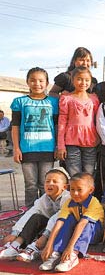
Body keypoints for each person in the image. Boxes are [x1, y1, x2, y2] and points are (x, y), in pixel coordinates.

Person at [11, 67, 59, 206]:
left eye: (40, 81)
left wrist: (57, 146)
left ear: (47, 83)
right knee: (30, 185)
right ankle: (30, 214)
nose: (37, 84)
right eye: (33, 80)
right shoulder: (19, 102)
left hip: (47, 149)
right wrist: (16, 148)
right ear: (27, 82)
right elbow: (15, 126)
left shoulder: (53, 102)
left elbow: (56, 126)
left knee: (46, 185)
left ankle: (45, 214)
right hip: (27, 149)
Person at [0, 168, 70, 262]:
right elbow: (30, 213)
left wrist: (45, 236)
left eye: (55, 181)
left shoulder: (68, 198)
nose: (50, 184)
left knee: (58, 222)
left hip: (62, 229)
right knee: (36, 217)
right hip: (48, 229)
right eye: (47, 181)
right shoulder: (44, 199)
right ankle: (16, 245)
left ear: (64, 187)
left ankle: (34, 248)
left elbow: (58, 217)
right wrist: (15, 233)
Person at [40, 173, 104, 272]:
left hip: (93, 234)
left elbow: (82, 224)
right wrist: (49, 245)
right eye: (72, 189)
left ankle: (73, 255)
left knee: (88, 223)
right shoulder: (69, 202)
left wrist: (70, 247)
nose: (75, 193)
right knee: (68, 219)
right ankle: (56, 253)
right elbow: (59, 223)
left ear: (91, 190)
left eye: (79, 190)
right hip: (77, 231)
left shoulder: (94, 203)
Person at [57, 67, 99, 177]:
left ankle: (89, 194)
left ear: (90, 81)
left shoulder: (94, 99)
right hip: (71, 142)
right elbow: (62, 123)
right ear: (72, 79)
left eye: (87, 80)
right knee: (74, 175)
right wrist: (61, 146)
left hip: (91, 142)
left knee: (89, 174)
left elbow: (97, 121)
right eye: (79, 79)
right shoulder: (67, 98)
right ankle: (75, 194)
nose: (83, 83)